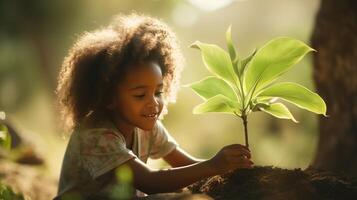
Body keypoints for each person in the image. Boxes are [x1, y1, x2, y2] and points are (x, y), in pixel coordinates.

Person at [54, 13, 253, 199]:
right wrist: (213, 165)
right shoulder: (95, 135)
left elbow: (185, 165)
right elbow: (150, 182)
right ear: (108, 97)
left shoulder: (146, 125)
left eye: (158, 92)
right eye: (140, 95)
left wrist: (226, 165)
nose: (153, 103)